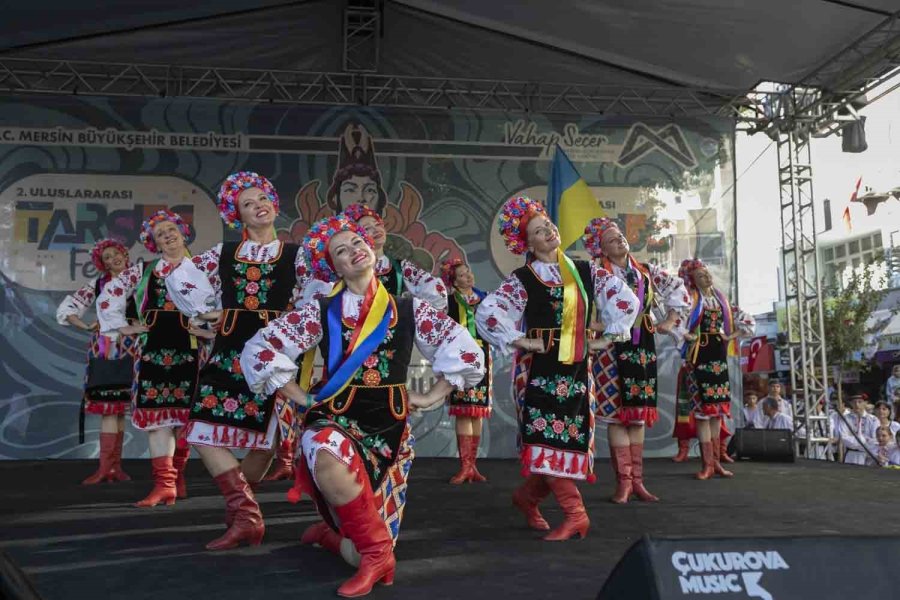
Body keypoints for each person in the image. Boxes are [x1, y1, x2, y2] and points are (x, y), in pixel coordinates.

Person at [241, 213, 484, 597]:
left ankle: (336, 538)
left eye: (357, 243)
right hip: (336, 414)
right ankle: (375, 553)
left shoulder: (409, 309)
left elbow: (465, 351)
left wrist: (431, 396)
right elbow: (260, 349)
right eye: (341, 250)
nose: (354, 250)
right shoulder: (320, 310)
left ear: (370, 249)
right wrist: (302, 397)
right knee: (325, 450)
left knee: (352, 552)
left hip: (389, 425)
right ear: (333, 266)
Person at [163, 171, 325, 549]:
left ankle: (242, 516)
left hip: (275, 351)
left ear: (274, 203)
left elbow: (318, 296)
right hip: (229, 349)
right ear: (237, 216)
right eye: (248, 204)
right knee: (202, 428)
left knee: (265, 441)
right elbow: (182, 277)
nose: (258, 206)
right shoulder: (222, 254)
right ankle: (246, 512)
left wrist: (297, 330)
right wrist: (205, 313)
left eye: (262, 198)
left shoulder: (297, 254)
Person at [475, 196, 638, 541]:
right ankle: (576, 514)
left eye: (548, 225)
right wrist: (522, 340)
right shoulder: (523, 278)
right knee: (543, 436)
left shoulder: (584, 271)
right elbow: (488, 312)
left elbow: (625, 300)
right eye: (538, 231)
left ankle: (527, 497)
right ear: (528, 243)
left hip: (577, 371)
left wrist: (607, 337)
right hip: (536, 372)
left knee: (564, 439)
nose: (547, 231)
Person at [97, 211, 201, 506]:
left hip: (190, 352)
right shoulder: (143, 270)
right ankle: (164, 484)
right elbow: (109, 295)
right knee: (157, 421)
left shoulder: (201, 268)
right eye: (160, 234)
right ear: (154, 244)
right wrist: (124, 326)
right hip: (153, 351)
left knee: (184, 422)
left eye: (171, 230)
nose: (167, 236)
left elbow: (222, 302)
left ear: (182, 232)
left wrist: (209, 328)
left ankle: (177, 478)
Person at [582, 217, 688, 503]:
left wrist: (670, 319)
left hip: (642, 347)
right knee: (618, 417)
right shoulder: (595, 273)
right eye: (612, 239)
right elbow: (581, 306)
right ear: (601, 248)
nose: (620, 240)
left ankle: (638, 481)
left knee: (638, 415)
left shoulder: (645, 271)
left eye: (620, 236)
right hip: (611, 349)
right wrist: (598, 327)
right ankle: (624, 482)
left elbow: (678, 289)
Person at [57, 239, 137, 484]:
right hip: (105, 347)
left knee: (120, 409)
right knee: (108, 407)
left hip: (133, 346)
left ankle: (116, 468)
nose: (113, 259)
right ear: (102, 264)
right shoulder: (99, 283)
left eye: (116, 254)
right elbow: (69, 307)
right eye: (107, 258)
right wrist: (87, 325)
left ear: (124, 254)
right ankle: (106, 468)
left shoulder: (140, 278)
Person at [678, 258, 755, 480]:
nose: (708, 278)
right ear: (692, 280)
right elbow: (677, 322)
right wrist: (688, 336)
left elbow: (746, 321)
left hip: (718, 357)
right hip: (698, 357)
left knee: (716, 412)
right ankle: (707, 464)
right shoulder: (691, 301)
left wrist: (730, 336)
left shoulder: (722, 301)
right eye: (701, 276)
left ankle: (716, 464)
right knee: (703, 413)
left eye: (708, 274)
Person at [440, 258, 492, 484]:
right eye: (461, 275)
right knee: (463, 410)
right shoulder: (449, 302)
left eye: (468, 272)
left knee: (477, 410)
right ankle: (465, 466)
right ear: (453, 281)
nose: (467, 276)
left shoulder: (486, 299)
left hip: (482, 359)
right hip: (459, 361)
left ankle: (473, 465)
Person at [343, 203, 447, 309]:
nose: (376, 229)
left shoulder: (401, 267)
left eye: (377, 224)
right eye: (367, 228)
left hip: (393, 323)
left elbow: (437, 294)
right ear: (356, 237)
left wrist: (409, 308)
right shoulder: (348, 268)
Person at [839, 392, 879, 466]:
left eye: (860, 402)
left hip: (868, 456)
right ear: (851, 403)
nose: (857, 405)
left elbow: (875, 440)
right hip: (851, 455)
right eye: (854, 402)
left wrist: (853, 439)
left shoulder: (873, 419)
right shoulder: (846, 418)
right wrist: (864, 440)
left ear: (865, 403)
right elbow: (844, 438)